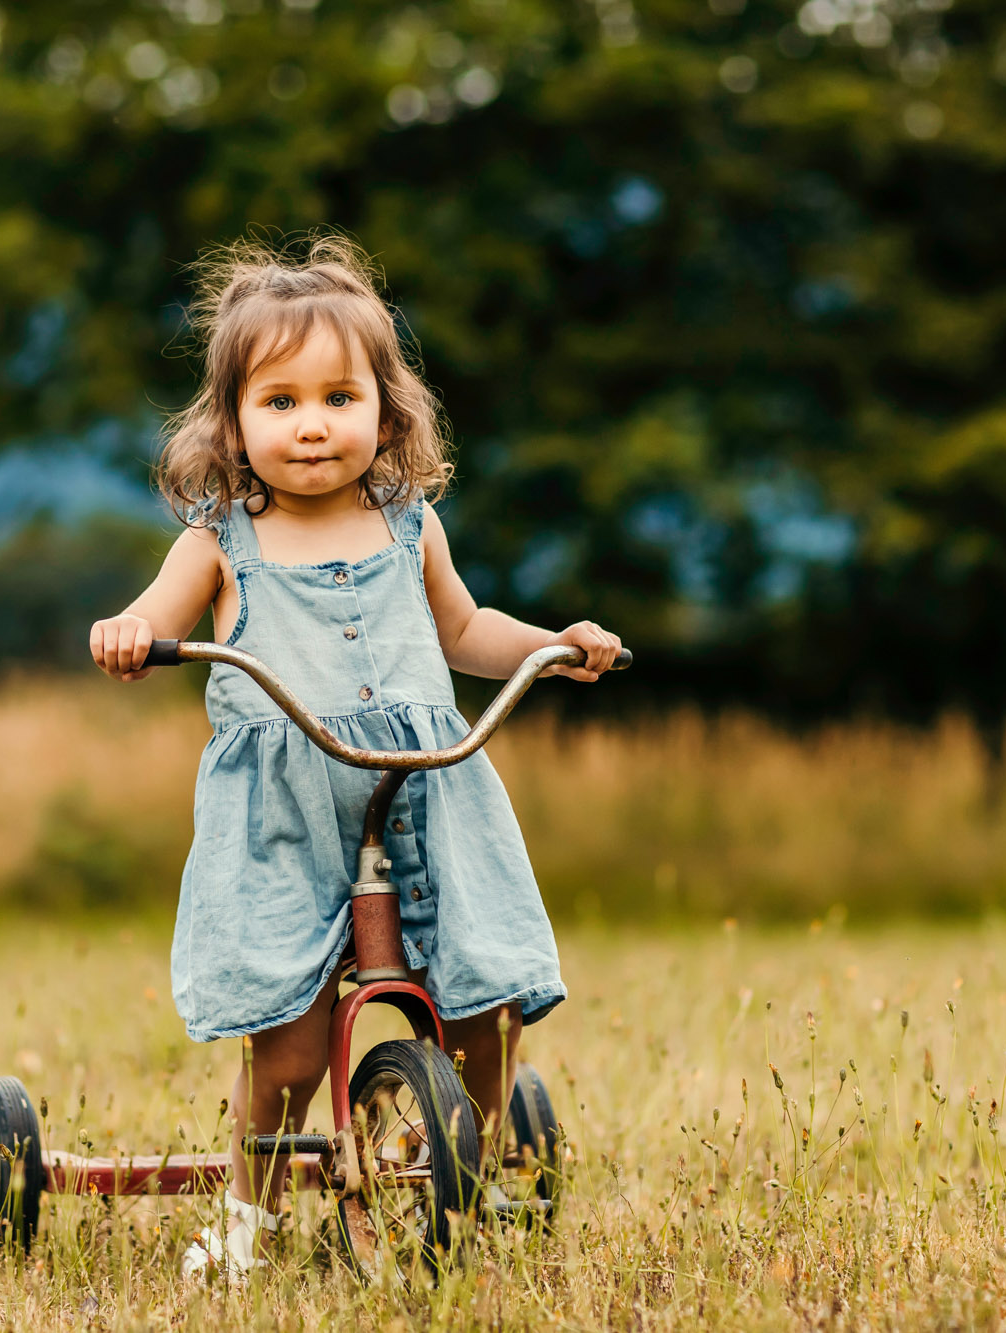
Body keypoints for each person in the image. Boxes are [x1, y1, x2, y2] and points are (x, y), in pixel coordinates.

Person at [88, 235, 624, 1280]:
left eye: (338, 396)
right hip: (285, 814)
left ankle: (440, 1169)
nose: (312, 423)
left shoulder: (406, 524)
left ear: (385, 409)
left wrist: (553, 646)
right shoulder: (218, 541)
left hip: (429, 792)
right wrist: (124, 630)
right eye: (278, 401)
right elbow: (151, 616)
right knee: (288, 1045)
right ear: (232, 420)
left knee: (480, 1003)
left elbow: (464, 631)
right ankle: (246, 1219)